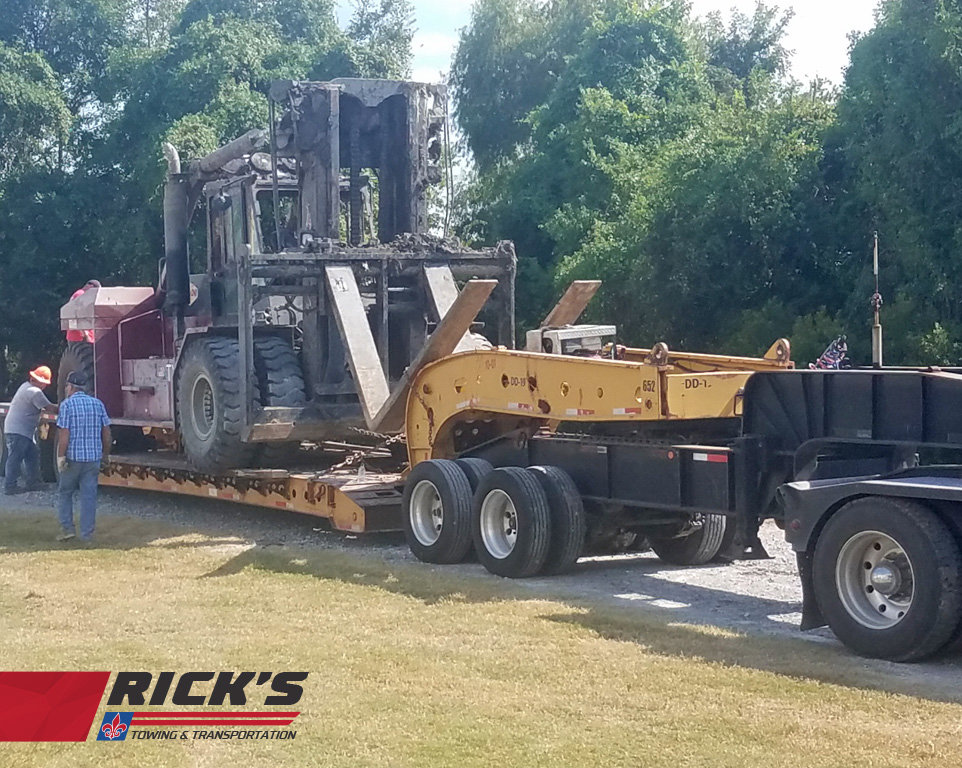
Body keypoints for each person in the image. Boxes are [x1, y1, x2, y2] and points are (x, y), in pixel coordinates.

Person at [56, 371, 110, 542]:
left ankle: (68, 529)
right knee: (89, 496)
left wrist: (61, 457)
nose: (66, 389)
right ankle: (87, 534)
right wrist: (105, 454)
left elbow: (64, 435)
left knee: (65, 492)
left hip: (73, 458)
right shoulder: (98, 404)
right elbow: (106, 433)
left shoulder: (67, 405)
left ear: (71, 387)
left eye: (66, 386)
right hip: (93, 459)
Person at [4, 366, 57, 495]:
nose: (45, 386)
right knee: (15, 458)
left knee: (31, 454)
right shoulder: (34, 392)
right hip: (19, 430)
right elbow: (50, 408)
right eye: (45, 383)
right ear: (40, 381)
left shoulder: (25, 387)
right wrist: (66, 407)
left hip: (20, 430)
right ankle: (10, 486)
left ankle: (33, 482)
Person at [65, 279, 101, 344]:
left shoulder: (78, 294)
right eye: (96, 291)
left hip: (76, 336)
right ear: (90, 286)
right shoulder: (81, 295)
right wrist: (86, 334)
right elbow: (78, 315)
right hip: (80, 337)